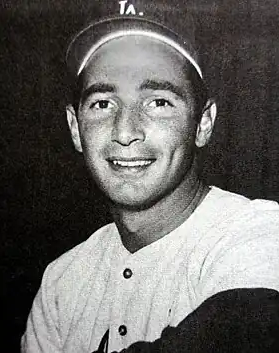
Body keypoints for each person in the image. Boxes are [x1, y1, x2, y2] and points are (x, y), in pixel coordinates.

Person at [21, 1, 279, 352]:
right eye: (102, 104)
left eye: (158, 102)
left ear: (203, 124)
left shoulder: (257, 234)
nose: (125, 131)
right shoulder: (61, 282)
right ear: (75, 128)